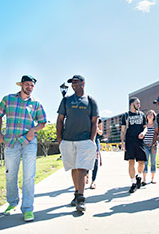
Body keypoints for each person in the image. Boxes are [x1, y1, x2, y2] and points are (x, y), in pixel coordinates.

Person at [0, 75, 47, 222]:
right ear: (22, 85)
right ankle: (12, 203)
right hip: (11, 142)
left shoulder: (36, 104)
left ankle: (28, 209)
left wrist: (33, 130)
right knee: (10, 175)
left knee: (29, 176)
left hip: (29, 142)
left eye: (32, 85)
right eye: (27, 84)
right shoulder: (8, 99)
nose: (30, 87)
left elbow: (43, 122)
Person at [56, 74, 99, 212]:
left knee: (81, 168)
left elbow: (94, 122)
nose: (73, 85)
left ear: (83, 83)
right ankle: (76, 192)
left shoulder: (91, 101)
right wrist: (59, 139)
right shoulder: (66, 100)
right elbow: (60, 120)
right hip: (68, 140)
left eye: (75, 82)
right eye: (72, 83)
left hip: (85, 140)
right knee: (74, 168)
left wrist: (91, 140)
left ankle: (80, 198)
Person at [120, 97, 147, 193]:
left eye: (139, 103)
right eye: (137, 103)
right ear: (132, 104)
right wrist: (123, 143)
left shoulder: (142, 114)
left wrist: (143, 133)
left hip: (140, 141)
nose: (139, 105)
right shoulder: (125, 115)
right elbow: (123, 131)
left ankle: (138, 176)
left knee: (141, 162)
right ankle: (133, 183)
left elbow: (145, 127)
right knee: (131, 162)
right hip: (130, 142)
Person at [142, 110, 157, 185]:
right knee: (145, 162)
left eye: (152, 114)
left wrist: (154, 145)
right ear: (146, 116)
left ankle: (152, 179)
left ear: (154, 116)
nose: (150, 115)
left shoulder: (156, 125)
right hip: (145, 146)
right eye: (149, 114)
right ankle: (144, 179)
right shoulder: (144, 125)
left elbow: (157, 136)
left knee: (153, 162)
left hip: (153, 146)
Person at [89, 118, 103, 189]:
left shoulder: (99, 120)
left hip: (95, 140)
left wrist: (97, 129)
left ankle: (93, 181)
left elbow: (101, 132)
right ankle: (86, 174)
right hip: (86, 140)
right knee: (86, 159)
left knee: (95, 161)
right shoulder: (86, 117)